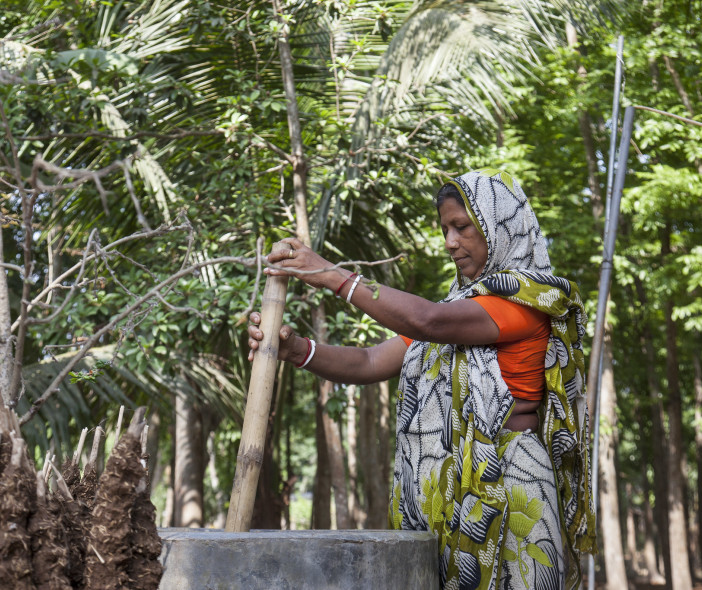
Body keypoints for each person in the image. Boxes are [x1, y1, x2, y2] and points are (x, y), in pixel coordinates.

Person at [248, 168, 596, 590]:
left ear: (499, 225)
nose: (451, 242)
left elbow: (427, 320)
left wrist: (335, 277)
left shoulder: (528, 301)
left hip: (510, 493)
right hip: (447, 500)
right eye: (445, 229)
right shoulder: (460, 309)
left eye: (462, 227)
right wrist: (298, 350)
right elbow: (370, 362)